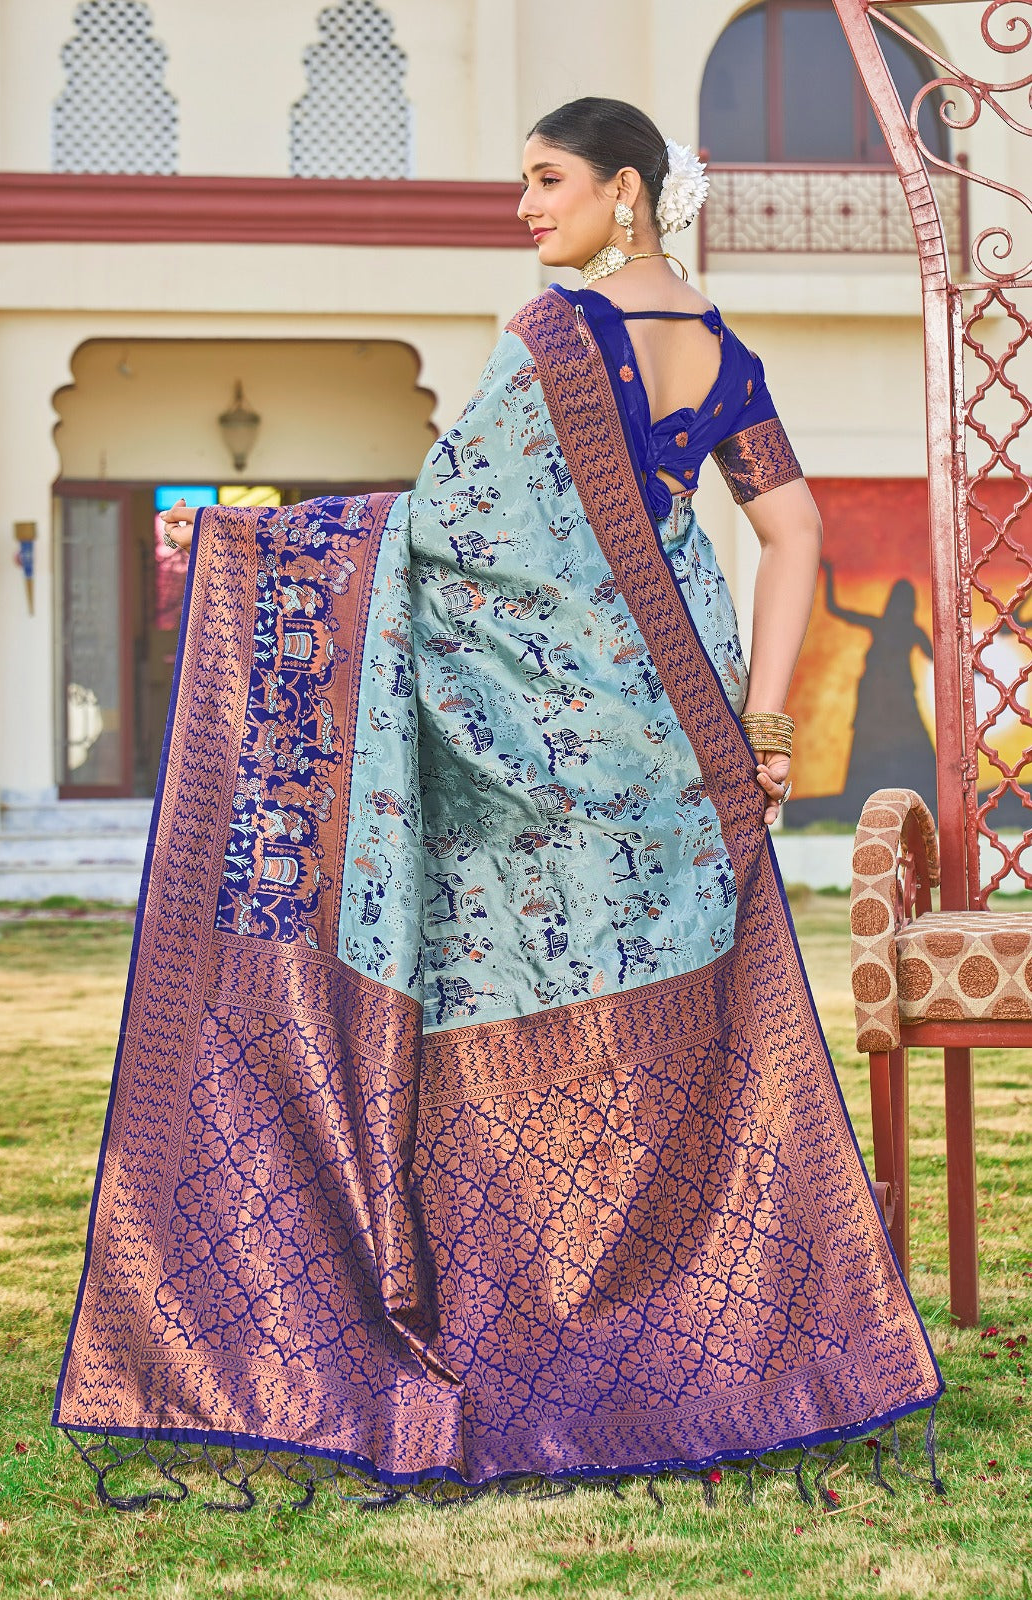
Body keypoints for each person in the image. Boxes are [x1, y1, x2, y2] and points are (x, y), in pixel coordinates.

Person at [54, 99, 942, 1509]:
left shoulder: (548, 338)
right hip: (675, 728)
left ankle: (517, 1328)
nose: (525, 208)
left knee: (490, 1004)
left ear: (624, 192)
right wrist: (758, 729)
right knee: (667, 1036)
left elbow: (443, 536)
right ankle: (677, 1339)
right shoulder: (724, 358)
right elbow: (794, 535)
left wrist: (255, 545)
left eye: (545, 180)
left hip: (529, 746)